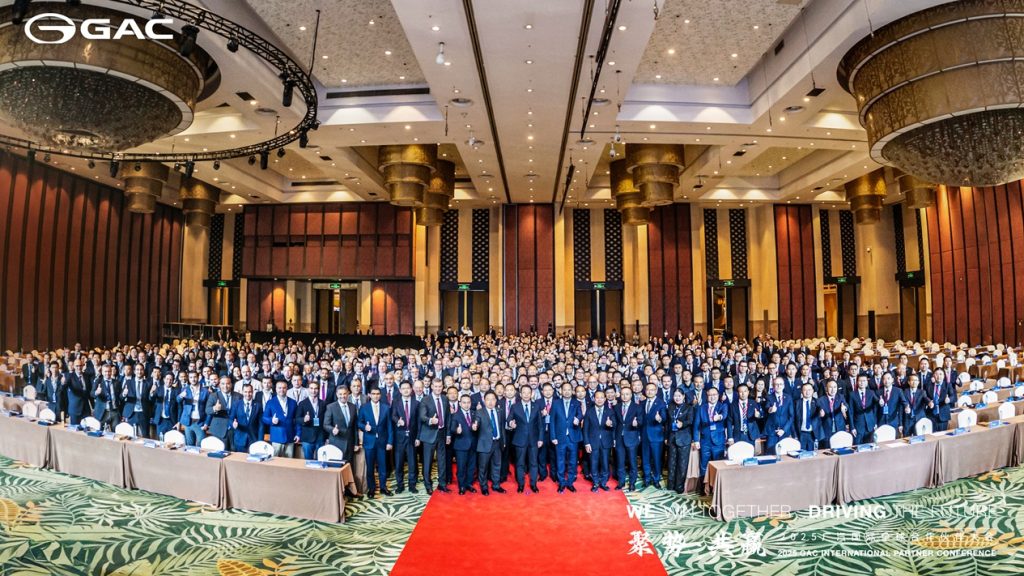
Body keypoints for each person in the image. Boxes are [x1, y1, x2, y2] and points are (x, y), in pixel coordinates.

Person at [692, 386, 727, 495]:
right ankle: (704, 488)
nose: (712, 397)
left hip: (718, 442)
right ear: (707, 396)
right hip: (705, 441)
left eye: (714, 395)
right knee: (703, 465)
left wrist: (719, 417)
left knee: (718, 465)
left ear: (718, 396)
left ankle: (716, 488)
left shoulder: (723, 406)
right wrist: (696, 440)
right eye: (710, 395)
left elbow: (724, 415)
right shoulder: (701, 408)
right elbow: (696, 425)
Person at [509, 384, 543, 493]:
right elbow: (509, 419)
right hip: (520, 439)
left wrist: (540, 439)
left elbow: (540, 425)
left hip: (534, 440)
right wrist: (511, 423)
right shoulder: (515, 406)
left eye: (529, 392)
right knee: (520, 464)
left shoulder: (536, 406)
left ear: (532, 394)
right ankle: (521, 484)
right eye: (524, 392)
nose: (526, 395)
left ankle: (533, 484)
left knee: (534, 463)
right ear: (520, 394)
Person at [358, 388, 392, 498]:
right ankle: (371, 488)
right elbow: (359, 423)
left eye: (378, 394)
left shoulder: (386, 408)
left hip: (382, 442)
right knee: (370, 467)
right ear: (369, 395)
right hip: (369, 442)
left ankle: (383, 487)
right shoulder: (364, 407)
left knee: (383, 467)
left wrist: (390, 442)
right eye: (373, 394)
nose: (376, 396)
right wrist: (364, 427)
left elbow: (389, 426)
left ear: (380, 395)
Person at [417, 379, 450, 494]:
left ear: (442, 387)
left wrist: (448, 434)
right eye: (436, 386)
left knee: (442, 461)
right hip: (429, 434)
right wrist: (431, 420)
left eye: (440, 386)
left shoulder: (445, 399)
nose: (438, 388)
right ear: (431, 386)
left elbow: (448, 417)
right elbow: (422, 416)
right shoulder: (425, 400)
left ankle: (442, 484)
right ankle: (428, 484)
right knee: (428, 461)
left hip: (442, 433)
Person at [550, 382, 583, 492]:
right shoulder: (556, 403)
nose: (567, 392)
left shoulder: (576, 402)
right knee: (560, 461)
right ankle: (561, 483)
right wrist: (553, 437)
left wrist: (578, 418)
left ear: (572, 391)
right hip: (560, 438)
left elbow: (580, 414)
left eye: (569, 389)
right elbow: (552, 421)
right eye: (565, 389)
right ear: (561, 391)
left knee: (573, 462)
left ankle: (570, 482)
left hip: (573, 437)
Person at [390, 381, 420, 493]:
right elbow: (393, 415)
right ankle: (400, 485)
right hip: (399, 437)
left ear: (411, 389)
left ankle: (412, 485)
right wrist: (398, 421)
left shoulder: (416, 403)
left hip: (412, 437)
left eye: (408, 388)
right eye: (403, 388)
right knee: (399, 463)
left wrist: (418, 437)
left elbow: (419, 422)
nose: (406, 390)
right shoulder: (395, 402)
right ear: (400, 390)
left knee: (412, 463)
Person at [475, 391, 506, 495]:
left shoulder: (499, 411)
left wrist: (504, 441)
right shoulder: (480, 412)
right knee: (483, 467)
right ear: (484, 400)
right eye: (488, 399)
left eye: (493, 399)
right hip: (485, 444)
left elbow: (502, 427)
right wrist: (475, 426)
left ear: (496, 401)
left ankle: (496, 485)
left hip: (497, 443)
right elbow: (476, 423)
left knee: (497, 465)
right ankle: (484, 487)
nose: (490, 402)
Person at [583, 389, 615, 492]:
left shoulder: (610, 411)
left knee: (605, 463)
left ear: (605, 399)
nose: (599, 400)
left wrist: (611, 424)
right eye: (597, 397)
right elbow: (585, 429)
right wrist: (587, 443)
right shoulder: (589, 412)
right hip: (593, 442)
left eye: (602, 397)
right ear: (594, 399)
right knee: (594, 463)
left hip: (606, 442)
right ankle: (596, 482)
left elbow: (615, 425)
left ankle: (603, 482)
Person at [666, 388, 694, 494]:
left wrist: (683, 424)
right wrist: (666, 437)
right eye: (675, 396)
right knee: (671, 462)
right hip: (672, 437)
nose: (677, 398)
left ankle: (679, 486)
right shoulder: (670, 407)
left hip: (684, 438)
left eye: (679, 396)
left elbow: (690, 421)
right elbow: (668, 423)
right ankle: (670, 484)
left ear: (683, 396)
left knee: (682, 464)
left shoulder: (689, 407)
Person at [262, 380, 300, 457]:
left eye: (284, 388)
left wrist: (298, 434)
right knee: (275, 462)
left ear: (287, 389)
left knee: (289, 462)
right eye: (279, 388)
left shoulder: (293, 402)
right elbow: (264, 418)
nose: (282, 390)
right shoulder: (270, 402)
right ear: (276, 389)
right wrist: (271, 420)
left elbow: (297, 420)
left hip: (290, 437)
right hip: (276, 438)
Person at [613, 386, 641, 491]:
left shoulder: (637, 407)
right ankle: (621, 482)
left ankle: (632, 483)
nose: (624, 396)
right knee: (620, 462)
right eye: (623, 394)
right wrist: (614, 438)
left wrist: (637, 423)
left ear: (631, 395)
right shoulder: (617, 407)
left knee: (632, 462)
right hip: (619, 437)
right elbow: (615, 423)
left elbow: (641, 421)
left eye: (627, 394)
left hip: (632, 437)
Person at [449, 394, 477, 495]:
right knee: (461, 467)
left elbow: (478, 426)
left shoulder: (474, 413)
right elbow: (452, 428)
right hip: (461, 445)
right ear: (460, 403)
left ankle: (469, 484)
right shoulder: (456, 415)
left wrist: (476, 427)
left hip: (473, 445)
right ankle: (461, 486)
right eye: (464, 403)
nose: (466, 405)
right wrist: (456, 430)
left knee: (471, 466)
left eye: (468, 402)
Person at [641, 383, 667, 489]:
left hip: (656, 436)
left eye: (652, 390)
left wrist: (659, 419)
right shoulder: (642, 403)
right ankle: (647, 479)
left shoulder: (661, 403)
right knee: (645, 459)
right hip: (644, 435)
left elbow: (664, 418)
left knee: (656, 459)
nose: (649, 391)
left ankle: (656, 479)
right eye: (647, 389)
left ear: (656, 391)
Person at [324, 385, 358, 462]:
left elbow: (354, 427)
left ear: (348, 393)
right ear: (337, 394)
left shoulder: (353, 407)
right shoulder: (331, 407)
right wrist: (332, 429)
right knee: (336, 465)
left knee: (349, 466)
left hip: (350, 443)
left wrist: (356, 443)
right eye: (340, 394)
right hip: (336, 443)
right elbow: (326, 424)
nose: (343, 396)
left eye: (344, 393)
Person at [206, 377, 239, 450]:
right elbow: (207, 410)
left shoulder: (239, 396)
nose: (225, 386)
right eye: (223, 384)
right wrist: (215, 408)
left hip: (234, 430)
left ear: (231, 385)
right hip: (219, 430)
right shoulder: (213, 396)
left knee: (235, 452)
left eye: (228, 383)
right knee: (221, 453)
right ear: (219, 385)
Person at [297, 381, 327, 459]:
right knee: (308, 462)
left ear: (318, 390)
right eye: (311, 388)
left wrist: (326, 437)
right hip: (307, 437)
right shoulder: (302, 403)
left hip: (320, 437)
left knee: (321, 460)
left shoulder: (323, 403)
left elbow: (326, 420)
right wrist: (304, 419)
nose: (313, 391)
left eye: (316, 388)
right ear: (308, 389)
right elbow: (297, 419)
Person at [178, 372, 209, 446]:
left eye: (195, 377)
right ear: (188, 378)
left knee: (201, 445)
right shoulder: (185, 389)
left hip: (200, 422)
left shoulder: (205, 391)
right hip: (188, 422)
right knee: (189, 445)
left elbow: (208, 409)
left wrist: (206, 423)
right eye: (191, 377)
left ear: (198, 377)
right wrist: (181, 396)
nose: (193, 379)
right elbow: (178, 400)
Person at [229, 383, 262, 453]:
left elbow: (261, 425)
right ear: (242, 392)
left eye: (250, 392)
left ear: (252, 392)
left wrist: (260, 440)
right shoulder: (236, 404)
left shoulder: (258, 405)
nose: (248, 394)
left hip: (253, 439)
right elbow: (230, 419)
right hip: (239, 439)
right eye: (245, 392)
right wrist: (233, 424)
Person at [764, 377, 794, 454]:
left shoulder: (788, 398)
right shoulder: (769, 397)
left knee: (784, 455)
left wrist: (784, 430)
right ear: (773, 386)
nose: (778, 386)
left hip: (784, 432)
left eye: (780, 384)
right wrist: (771, 409)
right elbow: (767, 408)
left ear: (783, 386)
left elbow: (791, 416)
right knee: (770, 454)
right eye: (776, 384)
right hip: (772, 432)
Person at [816, 379, 848, 448]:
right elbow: (817, 413)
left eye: (835, 387)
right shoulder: (820, 400)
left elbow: (845, 405)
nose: (833, 390)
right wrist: (819, 414)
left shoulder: (840, 397)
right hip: (826, 430)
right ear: (826, 388)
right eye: (830, 387)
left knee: (840, 448)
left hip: (839, 428)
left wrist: (844, 408)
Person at [92, 364, 121, 431]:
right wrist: (96, 392)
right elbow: (92, 393)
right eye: (105, 371)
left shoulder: (117, 382)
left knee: (116, 433)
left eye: (109, 371)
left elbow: (119, 397)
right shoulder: (98, 381)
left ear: (111, 372)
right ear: (102, 372)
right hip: (102, 412)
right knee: (100, 432)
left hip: (114, 412)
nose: (107, 373)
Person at [850, 375, 878, 444]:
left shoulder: (871, 393)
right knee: (857, 446)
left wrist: (875, 422)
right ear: (857, 382)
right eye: (860, 381)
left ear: (867, 382)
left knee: (870, 446)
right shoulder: (852, 394)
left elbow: (875, 408)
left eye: (864, 381)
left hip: (870, 425)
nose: (862, 383)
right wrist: (852, 427)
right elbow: (851, 412)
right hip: (858, 425)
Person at [794, 383, 819, 451]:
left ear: (813, 391)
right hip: (801, 433)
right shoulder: (797, 403)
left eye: (809, 390)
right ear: (801, 391)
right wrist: (794, 435)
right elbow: (793, 420)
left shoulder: (817, 402)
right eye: (805, 390)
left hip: (813, 434)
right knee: (801, 454)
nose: (807, 392)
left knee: (813, 454)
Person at [926, 367, 953, 431]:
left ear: (944, 376)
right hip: (931, 414)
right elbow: (925, 397)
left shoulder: (947, 385)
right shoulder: (929, 385)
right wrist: (928, 402)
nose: (938, 376)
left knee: (942, 434)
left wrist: (949, 399)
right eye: (936, 374)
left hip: (943, 414)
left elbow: (953, 396)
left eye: (941, 374)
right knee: (932, 434)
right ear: (933, 375)